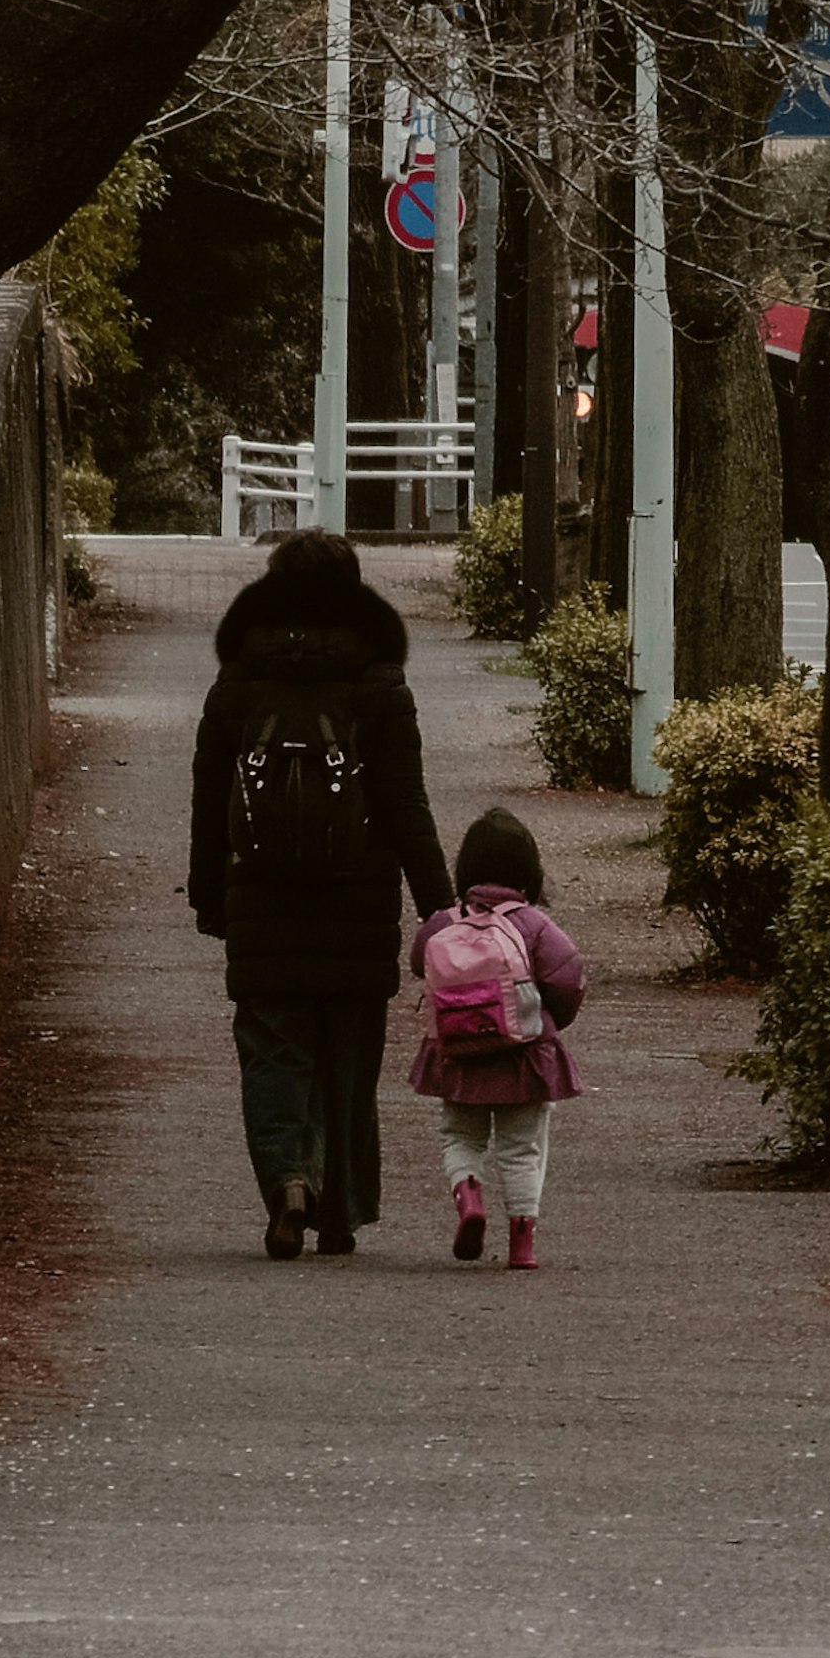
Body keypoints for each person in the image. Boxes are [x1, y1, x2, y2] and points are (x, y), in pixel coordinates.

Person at [187, 528, 450, 1257]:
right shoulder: (379, 682)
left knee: (274, 1050)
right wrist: (442, 907)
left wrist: (209, 894)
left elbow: (211, 798)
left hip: (262, 902)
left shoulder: (240, 680)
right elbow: (405, 805)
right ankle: (338, 1210)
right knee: (348, 1060)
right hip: (357, 903)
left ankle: (287, 1181)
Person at [408, 801, 585, 1269]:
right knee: (522, 1148)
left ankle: (469, 1196)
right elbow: (567, 978)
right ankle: (522, 1244)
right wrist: (550, 1023)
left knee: (460, 1137)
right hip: (522, 1057)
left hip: (459, 1055)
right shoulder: (533, 925)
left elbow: (417, 961)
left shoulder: (444, 922)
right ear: (530, 870)